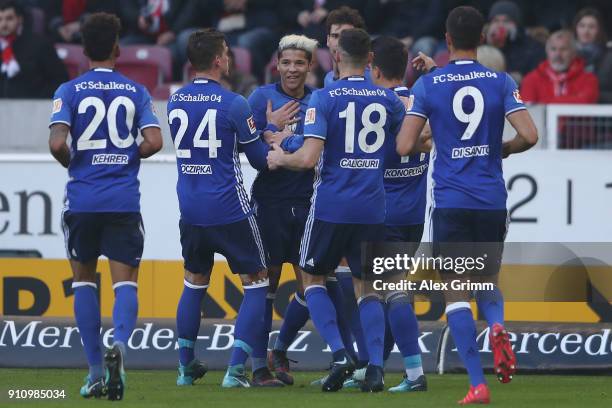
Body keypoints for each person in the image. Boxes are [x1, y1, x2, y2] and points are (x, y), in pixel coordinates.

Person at [267, 28, 419, 393]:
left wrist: (280, 154)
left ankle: (339, 354)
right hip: (372, 209)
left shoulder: (324, 97)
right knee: (368, 290)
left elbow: (308, 159)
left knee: (312, 279)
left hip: (331, 206)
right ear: (369, 60)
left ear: (336, 58)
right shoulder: (388, 102)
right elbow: (406, 145)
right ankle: (376, 369)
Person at [400, 6, 538, 404]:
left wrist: (429, 108)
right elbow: (529, 134)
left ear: (446, 40)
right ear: (482, 38)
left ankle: (477, 384)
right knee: (486, 281)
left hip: (451, 201)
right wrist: (503, 151)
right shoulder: (499, 80)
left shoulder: (430, 85)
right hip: (491, 200)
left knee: (456, 293)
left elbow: (406, 145)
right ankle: (497, 325)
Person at [48, 12, 163, 400]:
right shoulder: (136, 92)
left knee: (83, 281)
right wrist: (128, 155)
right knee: (125, 282)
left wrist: (75, 162)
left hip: (81, 199)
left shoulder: (68, 90)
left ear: (83, 50)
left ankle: (95, 371)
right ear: (118, 49)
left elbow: (56, 144)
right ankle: (120, 343)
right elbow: (154, 140)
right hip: (121, 200)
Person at [167, 28, 274, 389]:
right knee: (258, 283)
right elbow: (259, 159)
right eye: (226, 53)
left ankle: (185, 368)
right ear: (216, 60)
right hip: (230, 209)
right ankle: (235, 371)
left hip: (191, 211)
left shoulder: (175, 101)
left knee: (194, 283)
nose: (229, 59)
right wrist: (269, 132)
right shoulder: (234, 103)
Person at [369, 34, 429, 393]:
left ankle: (414, 373)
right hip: (415, 212)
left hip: (384, 211)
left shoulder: (378, 105)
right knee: (391, 291)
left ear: (373, 64)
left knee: (390, 292)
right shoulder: (421, 99)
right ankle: (376, 364)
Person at [0, 0, 68, 98]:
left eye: (9, 18)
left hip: (34, 107)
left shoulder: (40, 45)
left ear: (20, 19)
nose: (4, 24)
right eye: (0, 19)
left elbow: (60, 79)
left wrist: (38, 99)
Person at [520, 30, 599, 104]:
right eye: (553, 49)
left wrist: (543, 104)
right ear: (547, 52)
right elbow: (529, 111)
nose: (557, 54)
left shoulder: (589, 79)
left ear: (574, 53)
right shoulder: (531, 79)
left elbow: (584, 103)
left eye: (563, 49)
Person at [485, 0, 545, 83]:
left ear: (516, 24)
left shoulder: (532, 47)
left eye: (506, 21)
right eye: (496, 21)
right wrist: (490, 45)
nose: (500, 25)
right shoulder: (482, 44)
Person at [323, 6, 370, 87]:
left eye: (346, 37)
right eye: (335, 36)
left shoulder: (373, 79)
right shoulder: (328, 79)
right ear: (328, 40)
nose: (339, 43)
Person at [572, 7, 612, 103]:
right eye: (582, 26)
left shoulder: (609, 57)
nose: (586, 31)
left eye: (591, 27)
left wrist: (592, 96)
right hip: (567, 110)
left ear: (599, 30)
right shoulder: (565, 54)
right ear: (575, 28)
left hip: (602, 112)